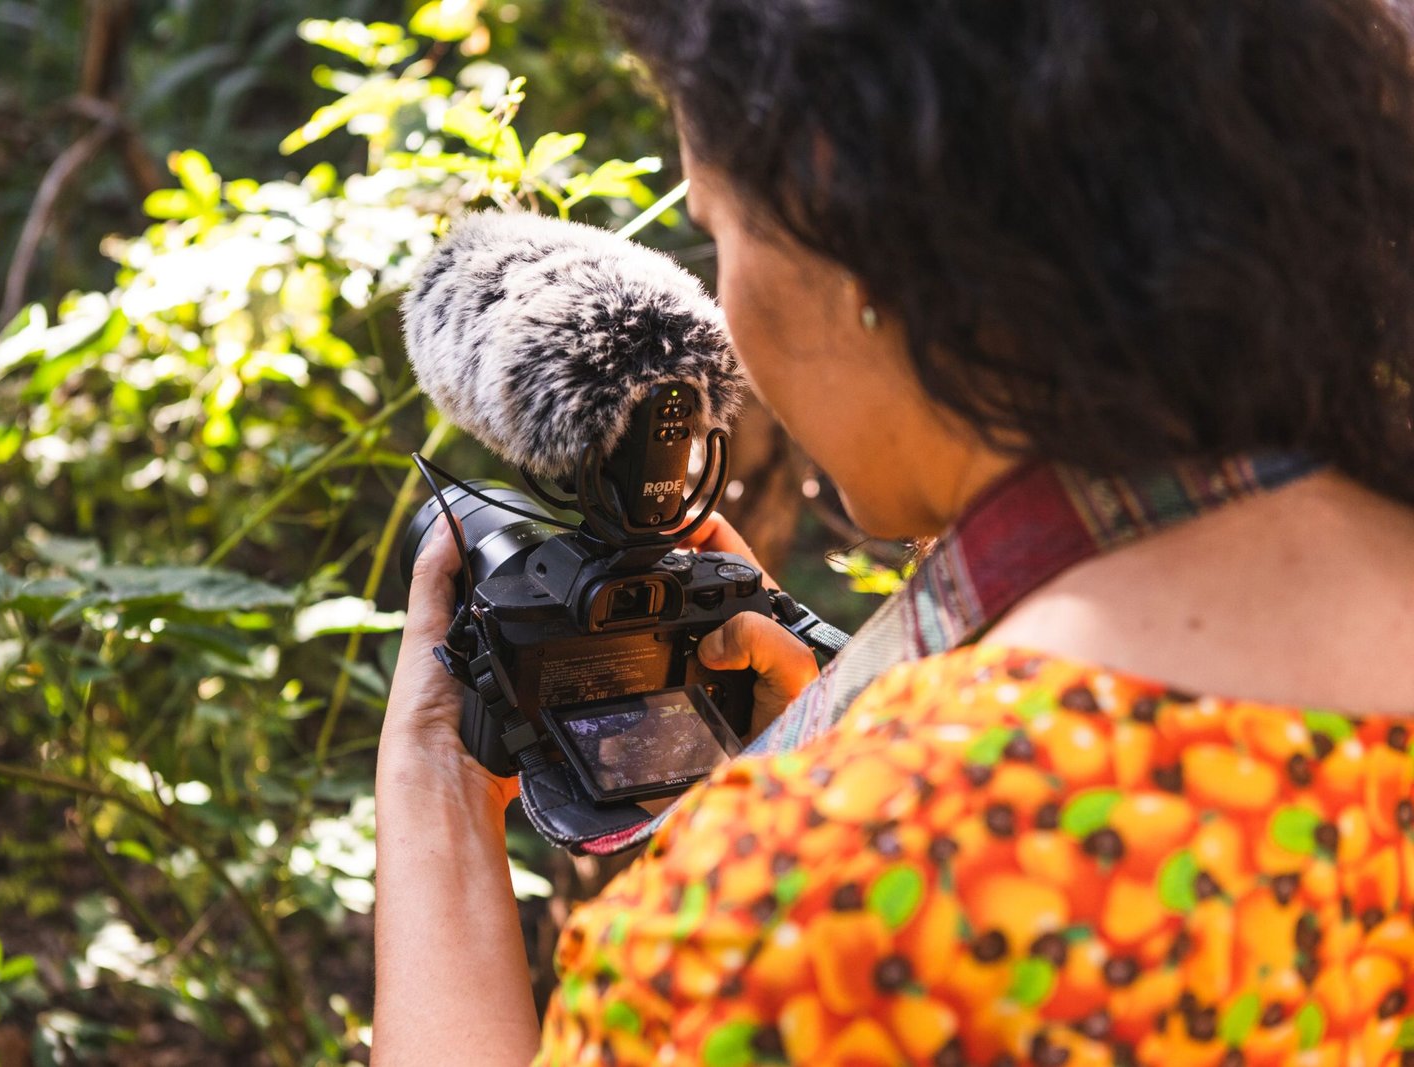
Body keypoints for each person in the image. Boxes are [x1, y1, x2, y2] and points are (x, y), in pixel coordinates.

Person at [372, 1, 1414, 1064]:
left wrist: (433, 789)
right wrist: (856, 715)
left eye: (721, 232)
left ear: (849, 225)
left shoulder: (813, 892)